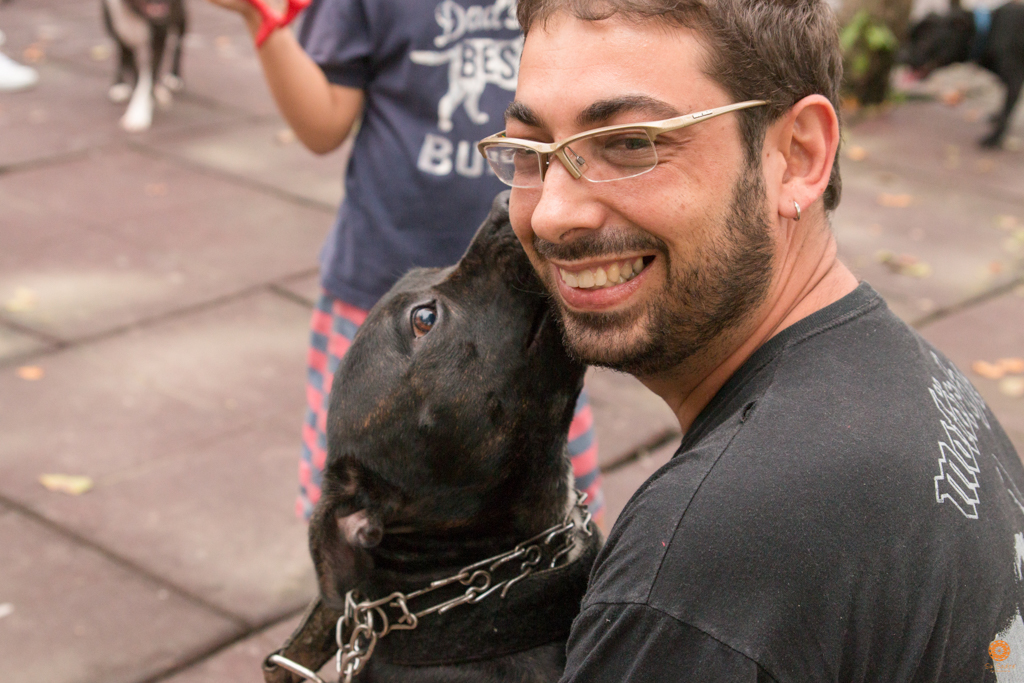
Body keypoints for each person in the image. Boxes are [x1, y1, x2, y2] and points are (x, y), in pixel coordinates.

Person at [479, 0, 1024, 678]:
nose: (552, 213)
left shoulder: (704, 568)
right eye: (530, 151)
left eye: (630, 143)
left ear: (797, 156)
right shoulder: (906, 375)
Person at [204, 0, 604, 523]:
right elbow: (324, 124)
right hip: (383, 298)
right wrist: (262, 21)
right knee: (357, 507)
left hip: (522, 294)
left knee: (565, 497)